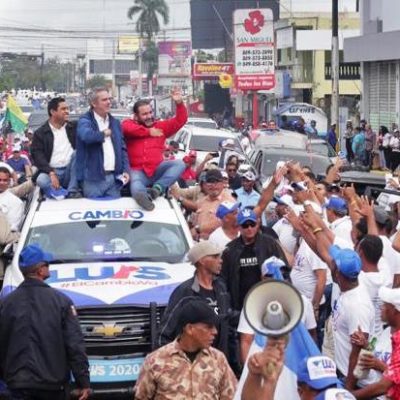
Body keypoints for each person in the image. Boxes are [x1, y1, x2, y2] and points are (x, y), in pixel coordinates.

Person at [0, 244, 90, 400]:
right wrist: (83, 382)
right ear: (40, 270)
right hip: (52, 387)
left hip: (16, 387)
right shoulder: (61, 302)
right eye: (47, 264)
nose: (49, 267)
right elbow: (74, 345)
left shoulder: (6, 303)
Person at [135, 300, 237, 399]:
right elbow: (141, 397)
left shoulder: (218, 360)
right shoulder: (156, 360)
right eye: (209, 327)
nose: (215, 332)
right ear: (189, 329)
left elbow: (232, 396)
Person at [158, 241, 236, 360]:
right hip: (192, 365)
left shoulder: (221, 287)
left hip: (218, 363)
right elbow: (165, 331)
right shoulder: (184, 291)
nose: (221, 260)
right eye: (215, 257)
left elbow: (228, 324)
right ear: (201, 261)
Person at [121, 90, 187, 211]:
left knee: (179, 164)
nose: (149, 116)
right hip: (137, 171)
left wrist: (179, 103)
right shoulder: (129, 124)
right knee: (135, 185)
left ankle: (157, 189)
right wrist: (149, 132)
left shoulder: (160, 127)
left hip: (157, 170)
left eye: (150, 112)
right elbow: (126, 128)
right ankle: (145, 200)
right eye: (144, 114)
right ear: (136, 116)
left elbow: (180, 120)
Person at [221, 208, 288, 312]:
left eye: (252, 224)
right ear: (239, 227)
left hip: (268, 301)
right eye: (245, 225)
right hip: (241, 304)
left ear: (257, 224)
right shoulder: (230, 249)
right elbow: (223, 279)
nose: (249, 228)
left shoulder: (269, 243)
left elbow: (284, 269)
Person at [76, 87, 130, 198]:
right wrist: (103, 134)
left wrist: (126, 170)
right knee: (93, 213)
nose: (109, 102)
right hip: (93, 180)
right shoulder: (85, 121)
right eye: (104, 100)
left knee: (115, 215)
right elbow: (86, 136)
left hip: (114, 179)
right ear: (94, 103)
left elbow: (122, 149)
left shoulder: (115, 123)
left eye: (109, 99)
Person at [352, 287, 400, 399]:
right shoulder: (387, 331)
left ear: (395, 311)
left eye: (385, 305)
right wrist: (366, 345)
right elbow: (381, 354)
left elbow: (383, 386)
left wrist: (347, 396)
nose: (381, 308)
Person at [31, 97, 81, 199]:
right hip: (52, 172)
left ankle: (71, 191)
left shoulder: (74, 127)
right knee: (41, 180)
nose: (67, 111)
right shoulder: (40, 133)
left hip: (70, 171)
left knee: (77, 153)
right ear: (53, 111)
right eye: (63, 109)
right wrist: (51, 172)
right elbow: (38, 156)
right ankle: (58, 191)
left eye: (67, 108)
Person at [0, 167, 24, 231]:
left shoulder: (16, 202)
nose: (1, 183)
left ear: (9, 181)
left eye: (5, 180)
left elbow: (12, 227)